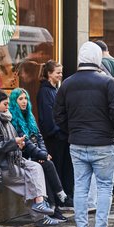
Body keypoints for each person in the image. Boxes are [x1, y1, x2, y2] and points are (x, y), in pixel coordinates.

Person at [54, 42, 114, 227]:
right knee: (104, 187)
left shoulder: (67, 84)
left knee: (81, 187)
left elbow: (58, 115)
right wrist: (112, 130)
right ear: (98, 59)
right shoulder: (107, 82)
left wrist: (72, 130)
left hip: (77, 143)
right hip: (103, 142)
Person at [0, 90, 60, 227]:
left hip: (12, 160)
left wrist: (18, 144)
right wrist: (14, 143)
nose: (7, 106)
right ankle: (40, 217)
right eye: (5, 104)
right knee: (30, 181)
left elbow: (37, 137)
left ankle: (39, 203)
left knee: (36, 167)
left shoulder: (5, 117)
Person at [9, 88, 69, 220]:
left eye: (26, 99)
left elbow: (40, 137)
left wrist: (43, 153)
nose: (24, 102)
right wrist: (41, 155)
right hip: (23, 157)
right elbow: (26, 143)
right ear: (14, 101)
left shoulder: (30, 116)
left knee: (46, 164)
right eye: (20, 99)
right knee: (45, 165)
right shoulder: (13, 119)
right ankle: (58, 197)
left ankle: (53, 206)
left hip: (35, 155)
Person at [37, 60, 74, 201]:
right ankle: (60, 198)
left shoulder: (54, 90)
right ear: (49, 74)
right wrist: (58, 131)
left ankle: (66, 196)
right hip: (55, 137)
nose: (60, 75)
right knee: (58, 167)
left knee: (65, 167)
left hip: (61, 135)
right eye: (58, 72)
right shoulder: (45, 91)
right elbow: (48, 117)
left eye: (61, 72)